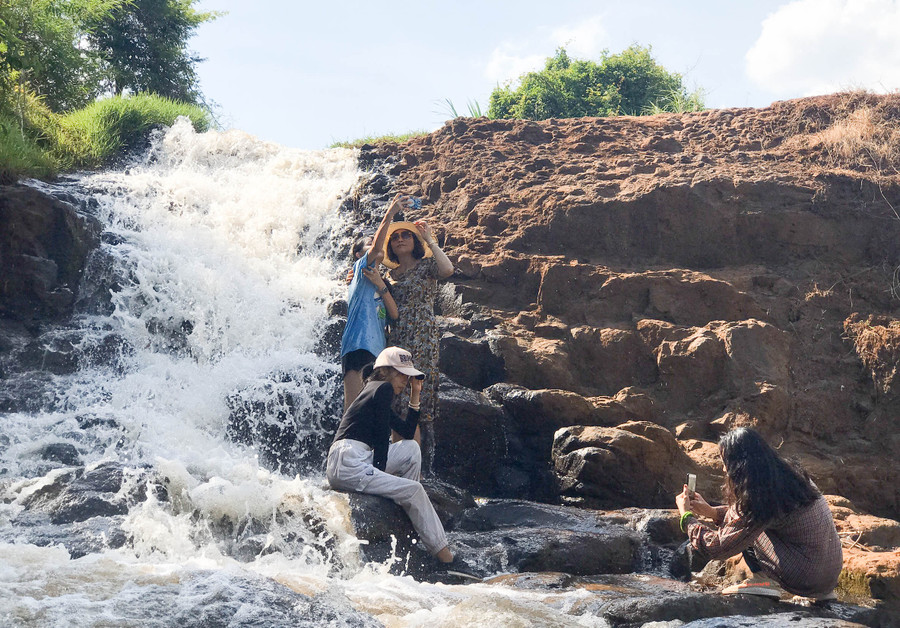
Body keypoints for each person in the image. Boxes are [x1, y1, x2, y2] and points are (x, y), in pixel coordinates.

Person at [675, 427, 842, 600]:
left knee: (746, 530)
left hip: (806, 578)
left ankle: (762, 581)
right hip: (830, 575)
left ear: (739, 464)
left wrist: (686, 516)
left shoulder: (760, 497)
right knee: (753, 522)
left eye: (726, 462)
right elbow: (746, 514)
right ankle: (819, 593)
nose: (724, 470)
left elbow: (717, 548)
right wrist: (711, 512)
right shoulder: (790, 476)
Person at [326, 346, 454, 563]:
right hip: (349, 461)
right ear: (384, 371)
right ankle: (445, 557)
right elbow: (379, 438)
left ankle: (410, 517)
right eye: (401, 374)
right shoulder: (382, 388)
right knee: (414, 490)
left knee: (411, 448)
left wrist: (415, 395)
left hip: (350, 459)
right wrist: (380, 472)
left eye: (408, 376)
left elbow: (405, 432)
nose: (405, 380)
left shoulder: (374, 390)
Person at [382, 215, 454, 475]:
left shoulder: (426, 267)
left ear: (414, 240)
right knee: (395, 401)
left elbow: (447, 270)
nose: (401, 239)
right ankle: (398, 466)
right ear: (390, 245)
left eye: (406, 235)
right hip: (397, 339)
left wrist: (430, 240)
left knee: (416, 398)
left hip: (422, 339)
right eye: (396, 237)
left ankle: (416, 471)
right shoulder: (387, 276)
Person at [339, 195, 406, 411]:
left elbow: (394, 314)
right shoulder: (360, 270)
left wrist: (381, 285)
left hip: (378, 352)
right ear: (359, 254)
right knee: (353, 411)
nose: (376, 245)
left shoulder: (381, 280)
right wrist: (390, 213)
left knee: (370, 414)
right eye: (368, 244)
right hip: (358, 345)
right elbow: (377, 250)